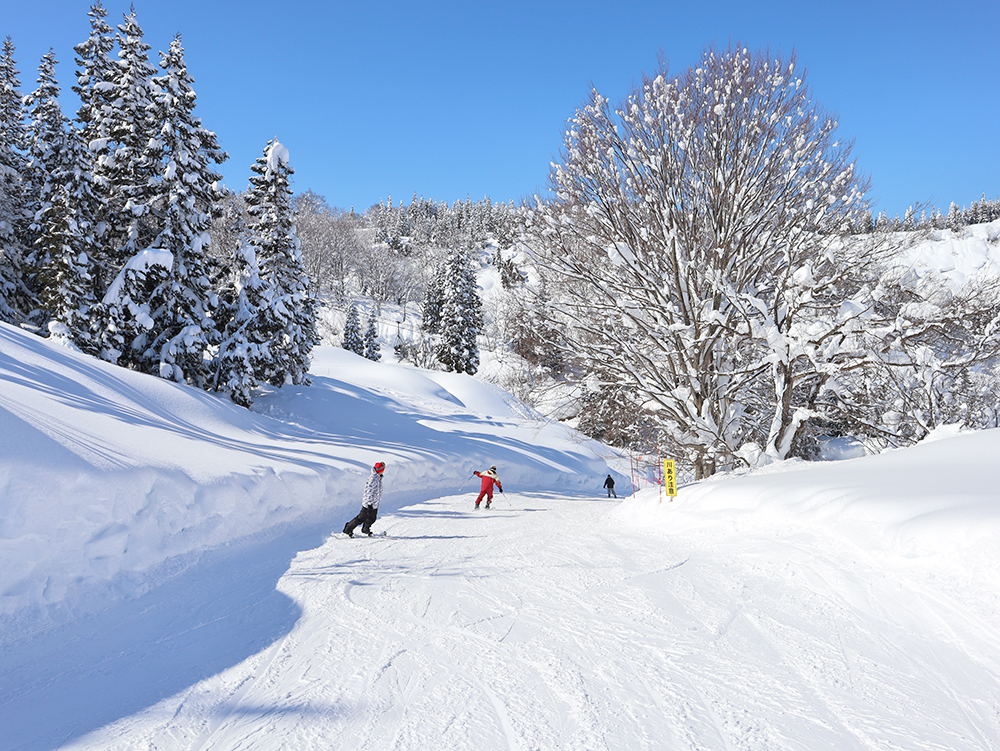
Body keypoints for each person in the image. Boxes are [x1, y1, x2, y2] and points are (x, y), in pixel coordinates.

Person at [343, 461, 385, 537]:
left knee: (372, 518)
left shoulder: (378, 478)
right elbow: (369, 492)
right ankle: (348, 529)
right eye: (383, 469)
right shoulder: (373, 479)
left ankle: (365, 529)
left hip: (374, 504)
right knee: (361, 518)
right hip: (369, 504)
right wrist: (369, 504)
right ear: (380, 470)